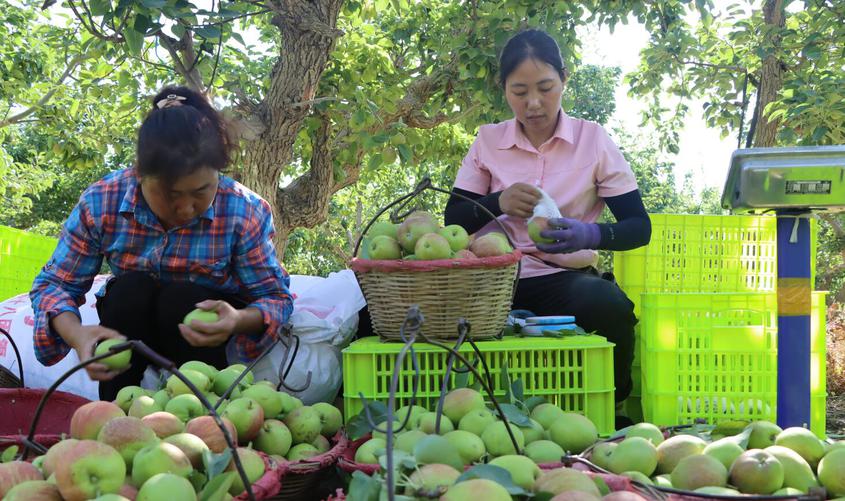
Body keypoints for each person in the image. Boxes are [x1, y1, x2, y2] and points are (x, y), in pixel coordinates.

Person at [30, 86, 293, 401]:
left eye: (200, 192)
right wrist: (77, 335)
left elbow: (275, 299)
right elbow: (54, 286)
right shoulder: (102, 202)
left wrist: (237, 320)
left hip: (203, 336)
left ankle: (206, 412)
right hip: (133, 325)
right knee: (128, 291)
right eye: (170, 194)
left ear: (219, 174)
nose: (185, 209)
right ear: (139, 174)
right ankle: (116, 414)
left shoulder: (244, 211)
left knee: (181, 299)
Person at [444, 30, 651, 419]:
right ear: (503, 88)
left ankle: (614, 405)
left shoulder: (593, 140)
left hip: (561, 281)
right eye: (519, 91)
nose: (533, 103)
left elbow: (639, 227)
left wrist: (588, 234)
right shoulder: (488, 141)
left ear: (564, 79)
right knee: (378, 316)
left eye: (545, 88)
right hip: (491, 280)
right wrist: (496, 202)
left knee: (610, 306)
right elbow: (453, 219)